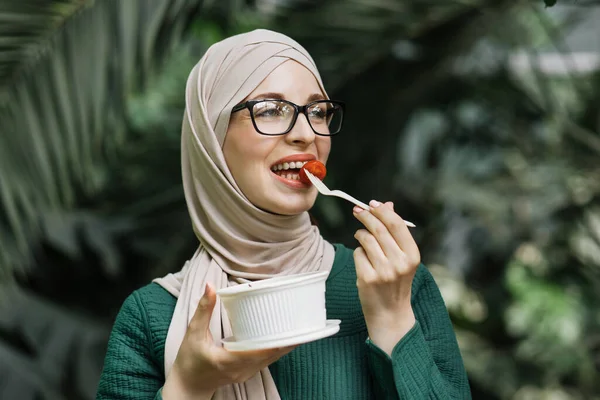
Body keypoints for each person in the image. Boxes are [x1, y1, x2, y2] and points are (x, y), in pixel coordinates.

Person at [96, 29, 471, 400]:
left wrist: (392, 320)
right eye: (271, 110)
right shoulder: (151, 316)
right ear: (211, 136)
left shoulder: (396, 286)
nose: (306, 133)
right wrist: (189, 386)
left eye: (318, 112)